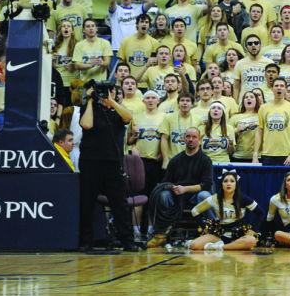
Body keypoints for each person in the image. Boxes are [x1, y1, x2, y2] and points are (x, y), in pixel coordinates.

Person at [78, 82, 139, 252]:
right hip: (91, 163)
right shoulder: (88, 109)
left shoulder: (117, 110)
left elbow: (128, 118)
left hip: (113, 164)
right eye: (102, 92)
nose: (105, 94)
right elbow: (86, 125)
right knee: (87, 203)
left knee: (120, 204)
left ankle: (127, 241)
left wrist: (111, 102)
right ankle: (86, 241)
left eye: (110, 91)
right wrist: (90, 101)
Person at [146, 127, 214, 248]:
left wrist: (185, 189)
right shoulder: (175, 160)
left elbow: (207, 184)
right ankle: (161, 234)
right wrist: (172, 187)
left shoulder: (205, 160)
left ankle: (213, 231)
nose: (191, 140)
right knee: (163, 194)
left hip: (195, 195)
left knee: (205, 195)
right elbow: (165, 182)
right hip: (177, 195)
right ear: (183, 139)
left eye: (194, 137)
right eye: (188, 137)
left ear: (199, 140)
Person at [188, 169, 262, 251]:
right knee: (194, 245)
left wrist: (254, 229)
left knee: (251, 241)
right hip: (219, 234)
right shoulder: (214, 199)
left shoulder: (243, 199)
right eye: (225, 181)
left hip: (239, 235)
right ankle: (228, 246)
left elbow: (260, 213)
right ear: (222, 184)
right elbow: (194, 211)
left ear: (236, 184)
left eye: (232, 181)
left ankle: (218, 247)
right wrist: (204, 227)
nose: (228, 184)